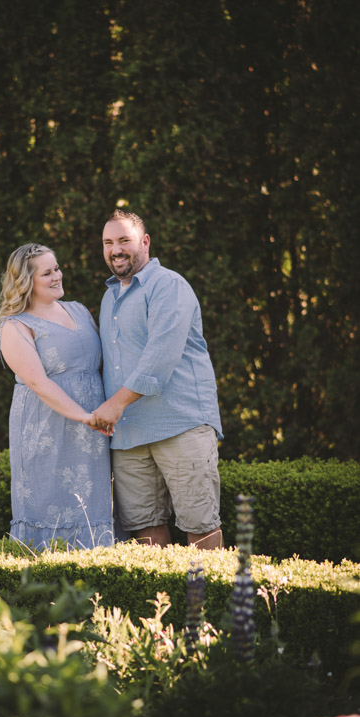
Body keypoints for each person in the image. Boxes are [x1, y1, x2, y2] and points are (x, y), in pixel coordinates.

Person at [92, 210, 223, 550]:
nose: (115, 250)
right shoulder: (109, 299)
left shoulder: (169, 286)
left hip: (179, 423)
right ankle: (161, 604)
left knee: (200, 525)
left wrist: (114, 404)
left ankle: (207, 603)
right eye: (108, 243)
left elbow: (159, 358)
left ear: (145, 242)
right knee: (146, 531)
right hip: (129, 435)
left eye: (124, 240)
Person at [0, 243, 114, 551]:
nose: (57, 276)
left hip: (94, 427)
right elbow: (37, 382)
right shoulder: (16, 326)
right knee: (50, 502)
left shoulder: (78, 310)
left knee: (94, 505)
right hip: (47, 426)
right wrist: (83, 416)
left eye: (57, 268)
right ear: (26, 282)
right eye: (47, 273)